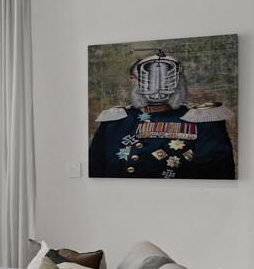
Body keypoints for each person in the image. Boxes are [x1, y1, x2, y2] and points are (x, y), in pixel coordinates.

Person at [88, 51, 235, 179]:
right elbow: (96, 167)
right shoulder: (114, 121)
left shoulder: (202, 120)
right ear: (132, 80)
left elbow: (216, 174)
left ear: (178, 79)